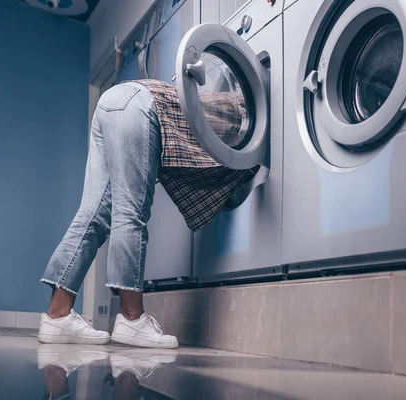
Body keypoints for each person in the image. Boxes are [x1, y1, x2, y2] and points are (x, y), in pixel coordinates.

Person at [38, 78, 253, 348]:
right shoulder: (233, 112)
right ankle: (131, 319)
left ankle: (57, 315)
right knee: (130, 211)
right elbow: (223, 151)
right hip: (138, 105)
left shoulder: (201, 100)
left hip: (111, 101)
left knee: (94, 214)